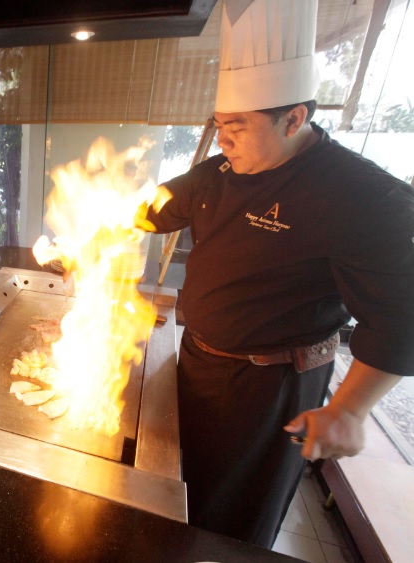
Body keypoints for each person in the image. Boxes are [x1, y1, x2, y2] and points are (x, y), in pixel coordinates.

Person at [139, 0, 414, 549]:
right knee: (178, 497)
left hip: (268, 390)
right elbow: (160, 206)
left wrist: (348, 409)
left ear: (295, 118)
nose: (223, 142)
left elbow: (403, 318)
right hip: (197, 364)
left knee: (232, 524)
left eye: (237, 128)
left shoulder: (361, 197)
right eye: (219, 127)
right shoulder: (222, 169)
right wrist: (102, 214)